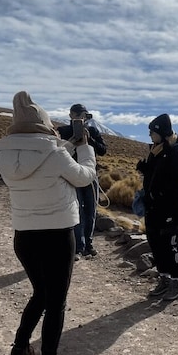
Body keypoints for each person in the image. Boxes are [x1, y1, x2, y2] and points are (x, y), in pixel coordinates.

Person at [0, 91, 96, 355]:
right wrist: (84, 147)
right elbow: (83, 176)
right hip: (57, 235)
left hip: (24, 236)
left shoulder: (3, 151)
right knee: (56, 301)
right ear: (43, 123)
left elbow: (36, 160)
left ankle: (19, 352)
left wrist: (65, 145)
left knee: (40, 292)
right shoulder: (54, 151)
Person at [136, 113, 178, 301]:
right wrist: (146, 169)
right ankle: (164, 279)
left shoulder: (177, 153)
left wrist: (158, 195)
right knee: (156, 242)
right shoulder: (156, 151)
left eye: (152, 132)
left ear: (161, 132)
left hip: (172, 208)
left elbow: (176, 184)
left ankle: (177, 282)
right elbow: (156, 175)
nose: (150, 135)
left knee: (170, 244)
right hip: (154, 207)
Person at [56, 103, 107, 258]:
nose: (81, 118)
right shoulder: (63, 131)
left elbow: (103, 150)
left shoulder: (91, 131)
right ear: (71, 115)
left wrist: (89, 139)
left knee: (90, 210)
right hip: (71, 175)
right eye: (78, 115)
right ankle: (79, 246)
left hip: (90, 175)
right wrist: (72, 139)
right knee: (76, 210)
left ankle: (88, 244)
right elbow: (58, 151)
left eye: (83, 115)